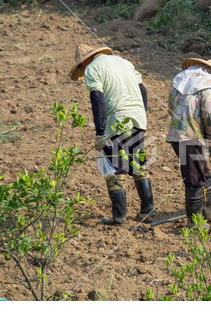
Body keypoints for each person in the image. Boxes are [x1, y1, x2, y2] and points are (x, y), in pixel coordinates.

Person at [69, 44, 155, 225]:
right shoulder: (124, 62)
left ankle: (119, 216)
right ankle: (148, 208)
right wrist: (142, 113)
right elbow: (143, 90)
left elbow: (97, 99)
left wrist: (100, 131)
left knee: (116, 166)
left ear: (85, 61)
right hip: (138, 116)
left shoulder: (92, 68)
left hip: (117, 118)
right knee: (137, 161)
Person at [166, 58, 211, 228]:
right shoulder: (208, 81)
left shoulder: (181, 78)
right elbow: (210, 112)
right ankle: (195, 220)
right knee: (194, 177)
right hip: (191, 137)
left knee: (202, 172)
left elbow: (170, 107)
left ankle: (208, 211)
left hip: (178, 134)